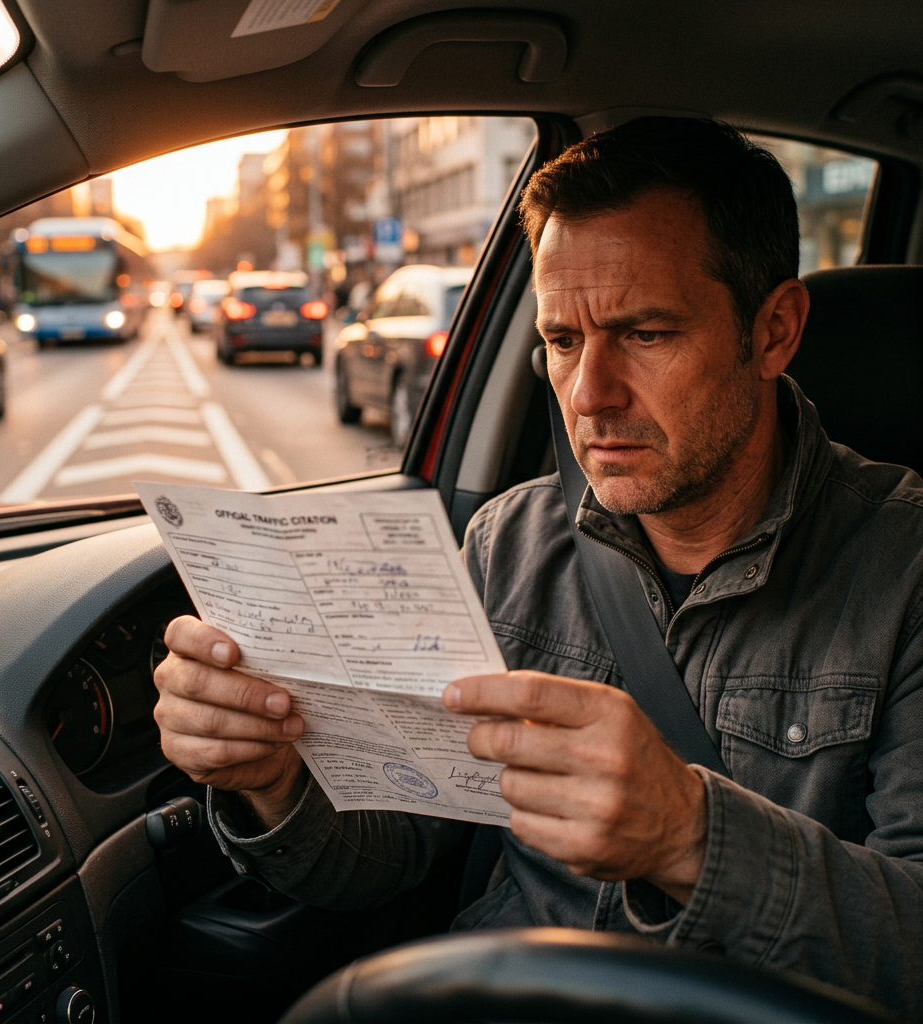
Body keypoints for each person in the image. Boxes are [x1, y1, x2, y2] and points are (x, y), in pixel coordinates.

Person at [152, 118, 923, 1018]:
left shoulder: (902, 569)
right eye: (562, 341)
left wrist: (692, 836)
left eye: (645, 334)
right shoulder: (505, 544)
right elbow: (395, 855)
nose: (590, 395)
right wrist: (271, 779)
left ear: (774, 331)